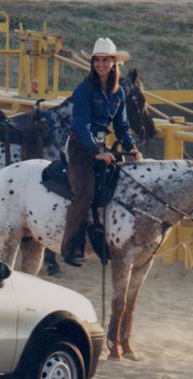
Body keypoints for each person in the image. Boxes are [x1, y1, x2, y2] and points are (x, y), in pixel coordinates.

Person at [61, 37, 143, 266]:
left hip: (100, 146)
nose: (100, 64)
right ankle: (70, 247)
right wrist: (96, 152)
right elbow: (80, 124)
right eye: (97, 60)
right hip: (80, 146)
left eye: (105, 60)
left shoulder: (118, 94)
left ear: (114, 63)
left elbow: (122, 126)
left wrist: (131, 148)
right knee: (84, 193)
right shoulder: (84, 89)